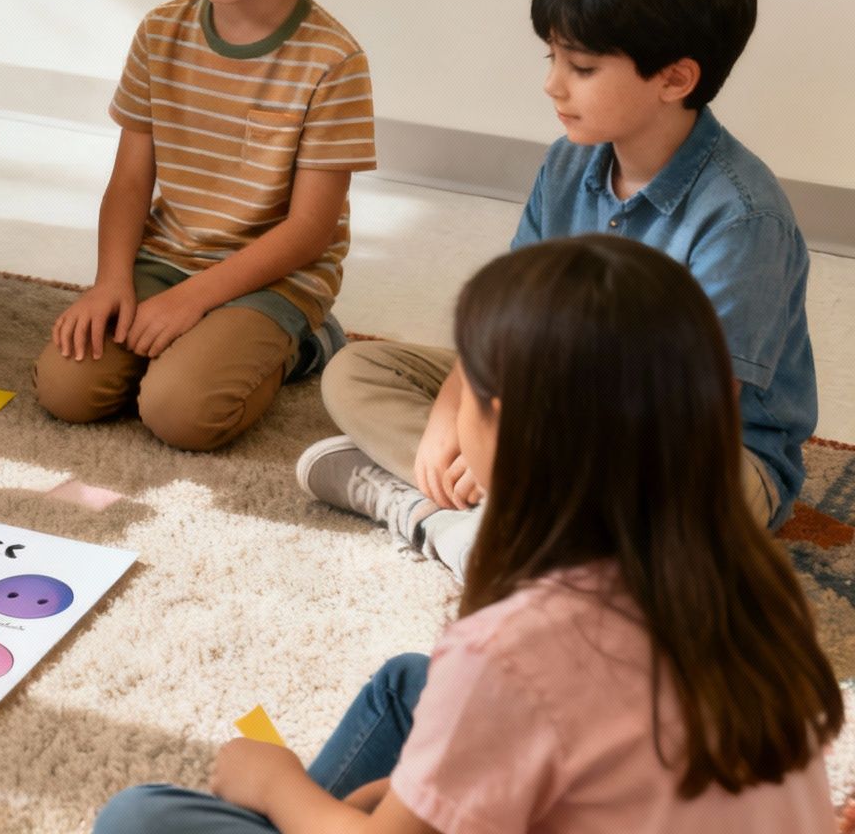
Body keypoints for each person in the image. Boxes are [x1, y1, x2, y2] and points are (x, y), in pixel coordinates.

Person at [98, 237, 841, 833]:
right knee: (407, 686)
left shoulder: (514, 647)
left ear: (511, 427)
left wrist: (281, 787)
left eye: (467, 393)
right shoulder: (744, 580)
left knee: (141, 817)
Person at [301, 0, 814, 578]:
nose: (553, 85)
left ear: (676, 78)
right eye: (552, 59)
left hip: (698, 451)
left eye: (582, 67)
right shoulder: (568, 164)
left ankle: (439, 518)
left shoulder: (744, 217)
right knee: (357, 372)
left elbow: (690, 406)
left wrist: (519, 444)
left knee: (656, 512)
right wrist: (451, 417)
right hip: (555, 405)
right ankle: (507, 519)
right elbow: (506, 318)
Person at [33, 0, 372, 450]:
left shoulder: (335, 61)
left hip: (277, 277)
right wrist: (112, 282)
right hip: (169, 256)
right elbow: (131, 181)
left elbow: (309, 230)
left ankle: (306, 343)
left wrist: (194, 302)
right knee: (67, 390)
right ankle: (201, 337)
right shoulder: (161, 32)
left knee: (182, 414)